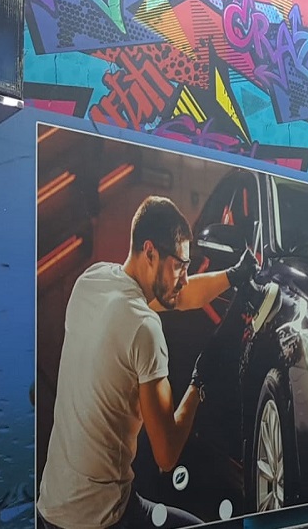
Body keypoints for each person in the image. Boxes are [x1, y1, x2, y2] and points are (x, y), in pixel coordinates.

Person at [37, 196, 260, 529]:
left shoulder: (91, 281)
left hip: (51, 507)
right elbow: (166, 455)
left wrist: (233, 275)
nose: (184, 277)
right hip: (101, 518)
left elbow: (181, 296)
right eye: (180, 266)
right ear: (150, 251)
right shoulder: (144, 327)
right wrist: (200, 382)